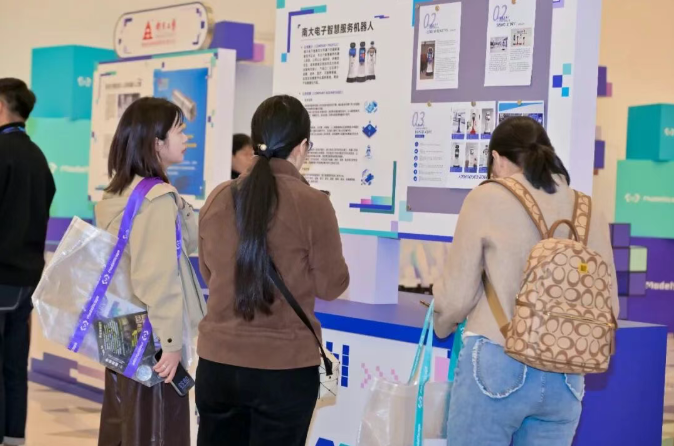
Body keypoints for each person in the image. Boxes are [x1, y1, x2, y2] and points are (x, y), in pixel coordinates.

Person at [433, 116, 618, 446]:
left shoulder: (486, 197)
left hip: (498, 360)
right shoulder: (589, 209)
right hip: (567, 373)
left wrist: (441, 324)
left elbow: (456, 297)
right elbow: (609, 306)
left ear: (497, 159)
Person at [196, 95, 350, 446]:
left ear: (254, 143)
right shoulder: (313, 204)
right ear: (302, 146)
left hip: (217, 365)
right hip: (285, 370)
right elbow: (331, 285)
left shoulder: (219, 197)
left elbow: (210, 273)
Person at [95, 97, 206, 446]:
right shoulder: (155, 199)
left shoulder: (120, 193)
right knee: (156, 429)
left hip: (120, 324)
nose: (186, 139)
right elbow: (158, 278)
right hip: (152, 334)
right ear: (157, 142)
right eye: (179, 131)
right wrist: (170, 344)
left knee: (126, 422)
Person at [0, 78, 55, 446]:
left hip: (1, 273)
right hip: (27, 279)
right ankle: (14, 437)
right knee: (14, 365)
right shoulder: (37, 156)